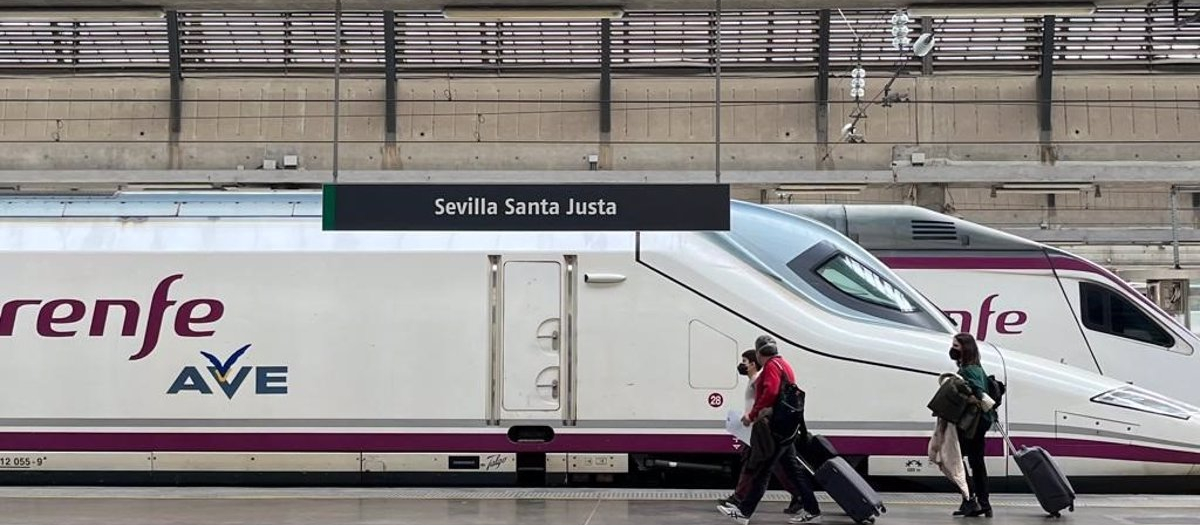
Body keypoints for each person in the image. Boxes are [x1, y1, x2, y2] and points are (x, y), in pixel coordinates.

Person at [719, 338, 822, 525]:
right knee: (793, 470)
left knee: (763, 470)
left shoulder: (771, 367)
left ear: (759, 354)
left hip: (777, 428)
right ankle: (813, 510)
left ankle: (743, 513)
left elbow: (770, 393)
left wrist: (752, 415)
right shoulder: (784, 364)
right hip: (788, 427)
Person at [950, 333, 995, 518]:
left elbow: (978, 394)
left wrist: (966, 396)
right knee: (977, 462)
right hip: (982, 421)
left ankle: (970, 501)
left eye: (956, 346)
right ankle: (983, 503)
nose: (952, 349)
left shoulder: (968, 370)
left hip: (971, 423)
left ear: (965, 348)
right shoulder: (977, 367)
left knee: (956, 460)